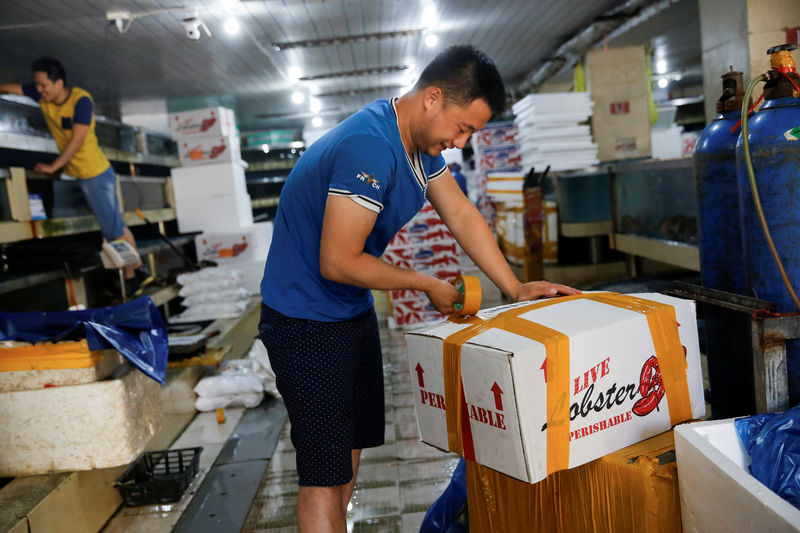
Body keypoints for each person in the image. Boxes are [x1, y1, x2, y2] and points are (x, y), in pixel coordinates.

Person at [258, 45, 579, 532]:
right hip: (303, 322)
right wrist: (424, 282)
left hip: (348, 313)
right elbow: (338, 259)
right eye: (463, 128)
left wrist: (514, 286)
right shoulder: (371, 145)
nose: (460, 142)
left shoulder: (418, 147)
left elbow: (463, 215)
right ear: (433, 98)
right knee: (322, 477)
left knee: (346, 458)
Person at [0, 57, 144, 292]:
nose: (39, 90)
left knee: (113, 231)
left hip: (95, 174)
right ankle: (137, 272)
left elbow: (77, 140)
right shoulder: (41, 95)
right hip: (78, 174)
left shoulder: (81, 101)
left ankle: (130, 278)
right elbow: (11, 88)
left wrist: (53, 166)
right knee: (116, 226)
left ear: (59, 83)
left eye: (44, 85)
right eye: (36, 85)